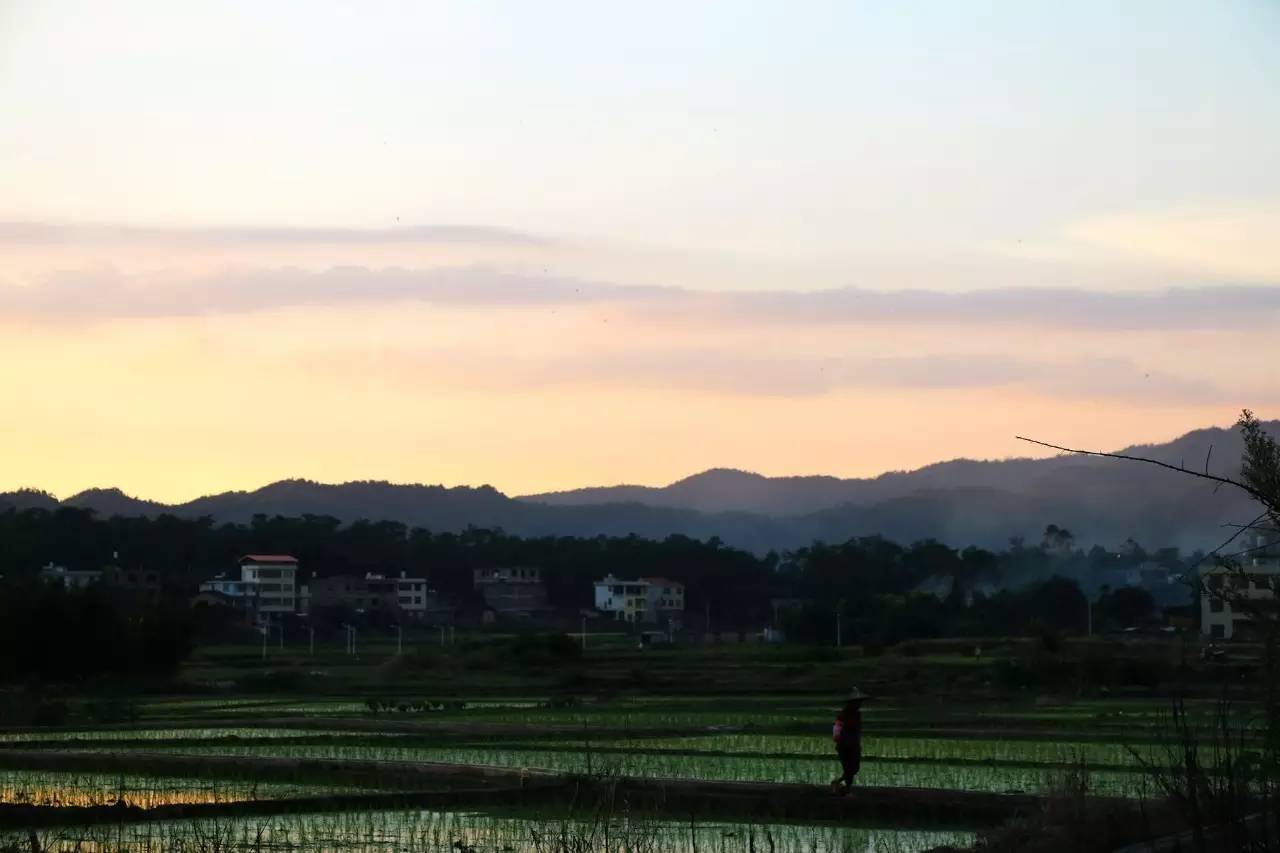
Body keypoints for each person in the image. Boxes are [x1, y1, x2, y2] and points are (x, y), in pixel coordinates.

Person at [830, 687, 869, 794]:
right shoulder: (844, 714)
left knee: (854, 768)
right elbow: (837, 726)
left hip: (853, 744)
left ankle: (838, 783)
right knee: (848, 768)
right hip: (845, 745)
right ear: (852, 703)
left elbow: (858, 729)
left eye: (860, 702)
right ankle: (846, 788)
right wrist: (837, 738)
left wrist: (857, 742)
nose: (859, 704)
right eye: (858, 702)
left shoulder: (857, 714)